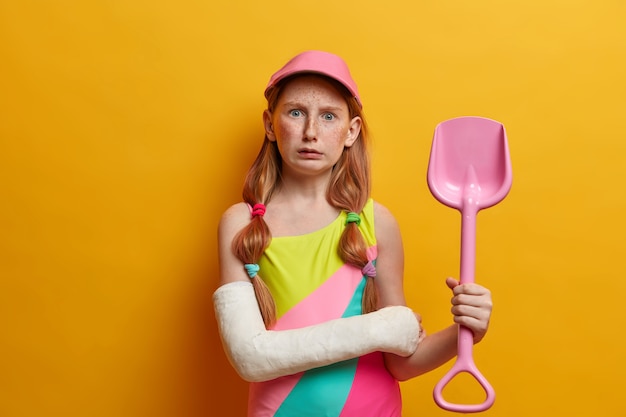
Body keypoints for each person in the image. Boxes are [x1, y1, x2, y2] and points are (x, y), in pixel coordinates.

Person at [214, 50, 493, 417]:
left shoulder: (376, 223)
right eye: (296, 113)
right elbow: (249, 357)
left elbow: (401, 359)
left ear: (351, 131)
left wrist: (464, 333)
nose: (311, 132)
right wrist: (379, 329)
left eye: (328, 116)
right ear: (270, 124)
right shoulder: (241, 225)